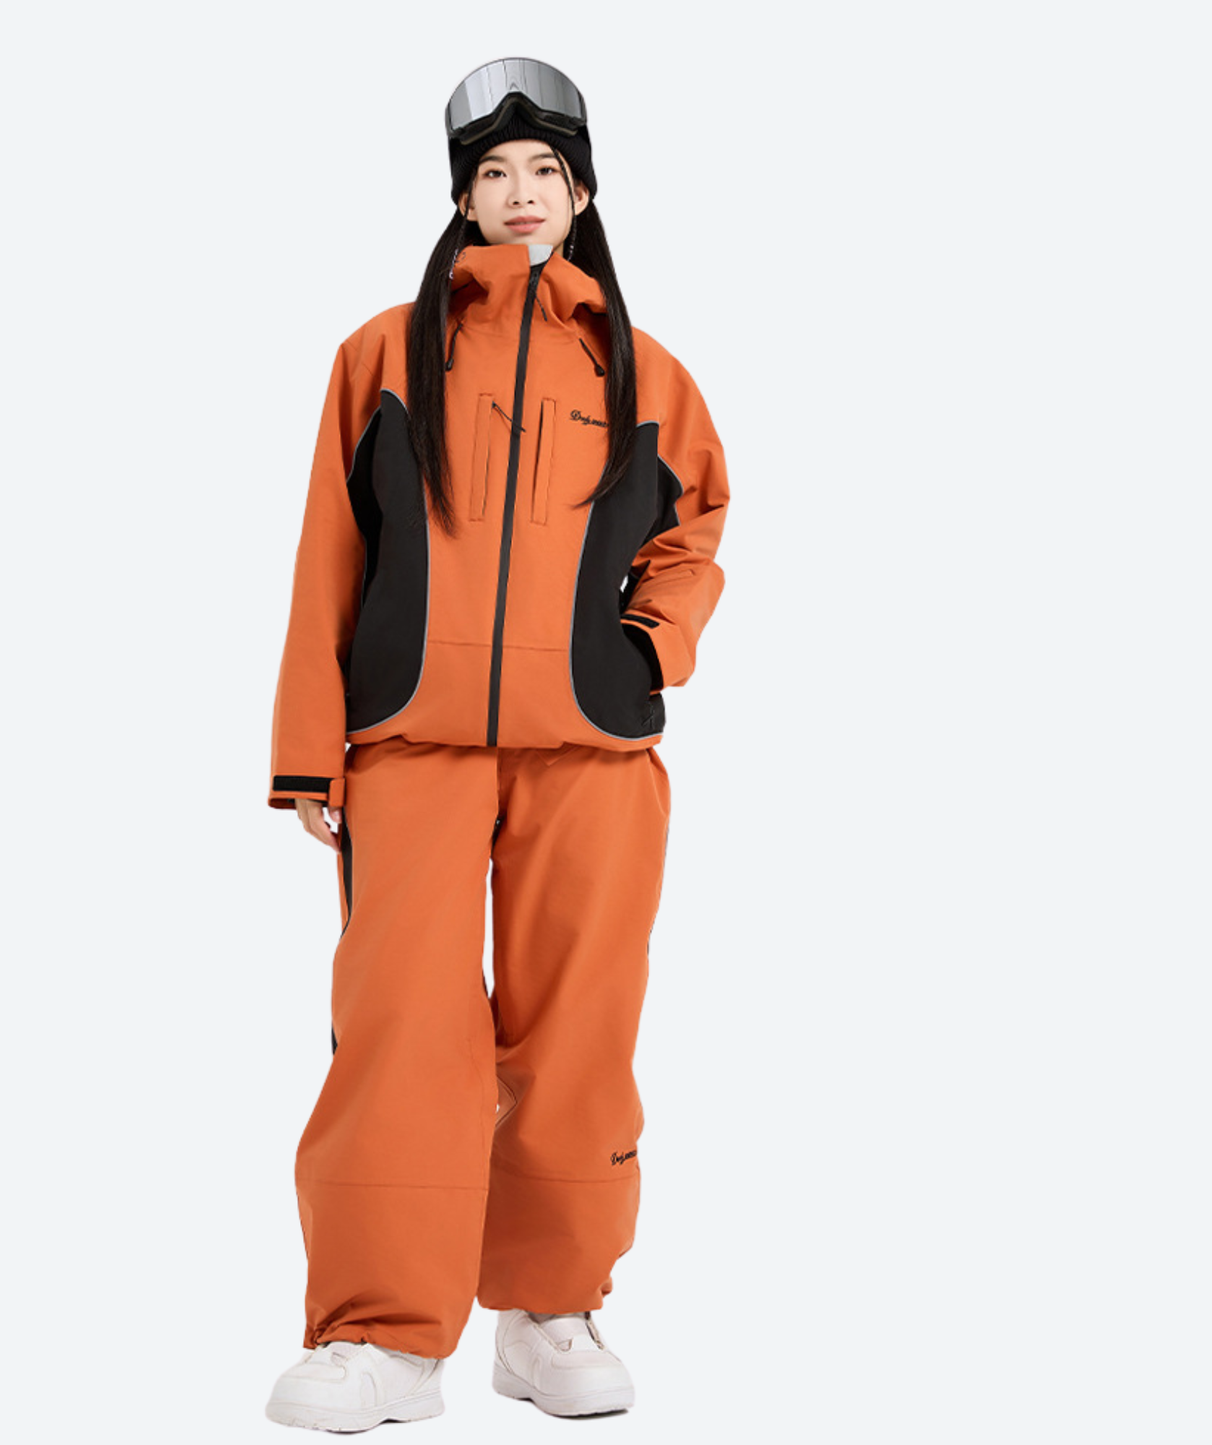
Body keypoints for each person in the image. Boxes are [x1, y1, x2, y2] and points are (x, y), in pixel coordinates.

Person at [262, 56, 730, 1432]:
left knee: (578, 1035)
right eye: (494, 174)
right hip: (412, 749)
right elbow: (330, 552)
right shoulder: (382, 357)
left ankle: (549, 1313)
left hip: (593, 756)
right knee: (400, 1031)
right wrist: (309, 749)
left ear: (582, 197)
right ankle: (380, 1335)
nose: (522, 194)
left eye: (546, 174)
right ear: (462, 199)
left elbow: (696, 531)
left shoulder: (645, 370)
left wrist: (648, 648)